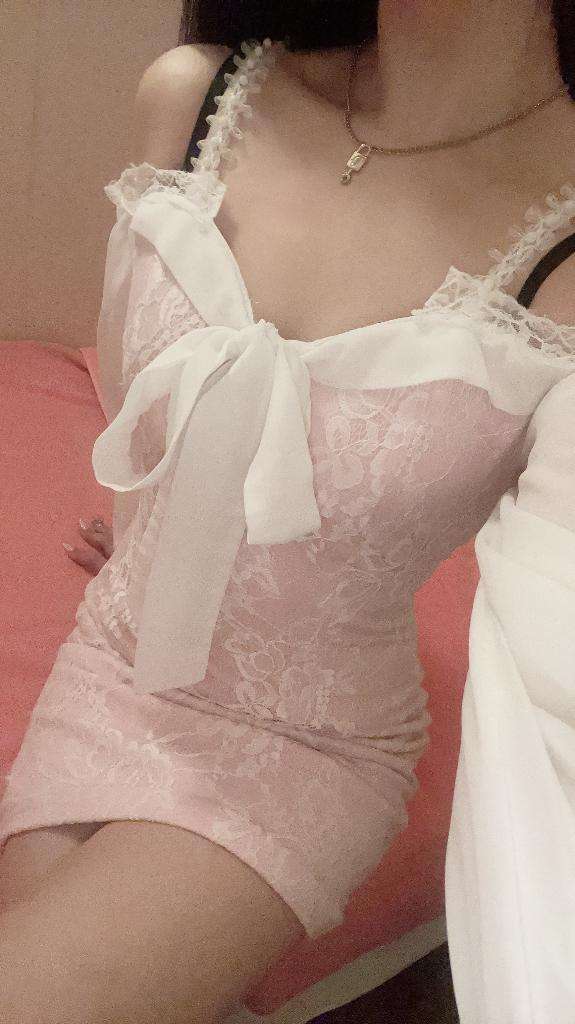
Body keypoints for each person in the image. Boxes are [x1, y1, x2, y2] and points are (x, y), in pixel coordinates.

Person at [1, 2, 575, 1022]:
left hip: (304, 742)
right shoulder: (192, 95)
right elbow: (144, 396)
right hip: (116, 656)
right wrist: (158, 535)